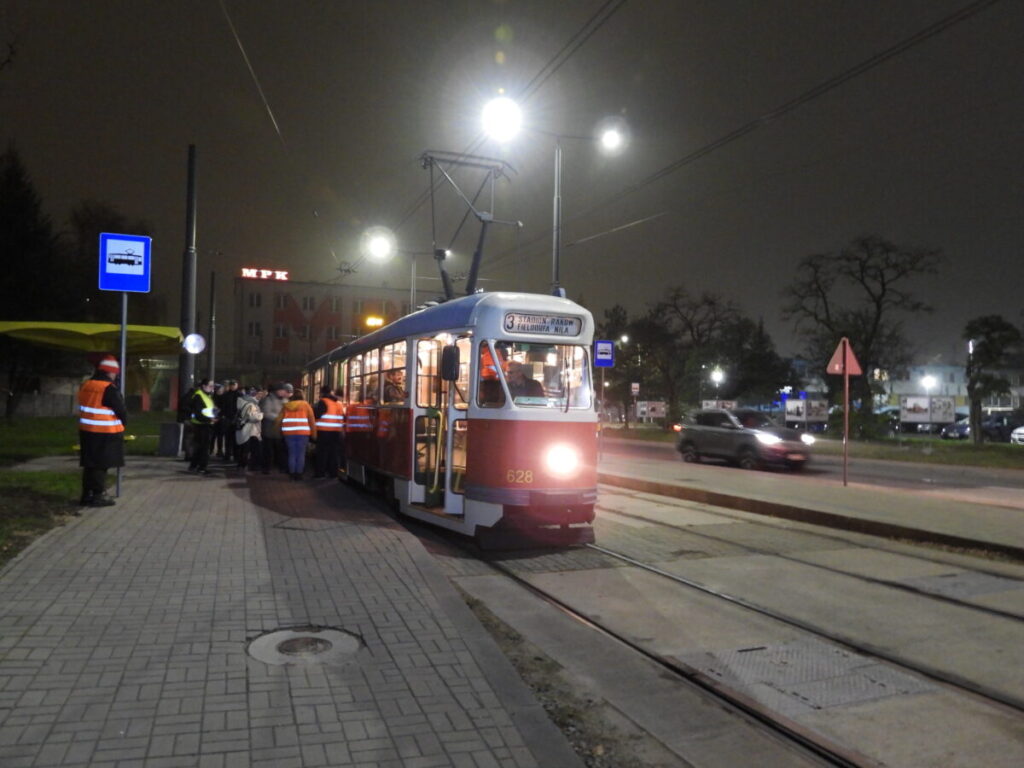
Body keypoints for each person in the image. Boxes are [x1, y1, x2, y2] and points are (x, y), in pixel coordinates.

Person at [77, 355, 127, 510]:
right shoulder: (107, 388)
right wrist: (123, 424)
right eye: (114, 372)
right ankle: (98, 496)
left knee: (90, 464)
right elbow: (121, 410)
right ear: (109, 372)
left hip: (87, 431)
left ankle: (86, 495)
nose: (115, 375)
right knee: (101, 465)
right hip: (105, 432)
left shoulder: (86, 384)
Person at [275, 388, 316, 480]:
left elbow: (278, 420)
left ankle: (292, 473)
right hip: (303, 433)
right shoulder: (306, 405)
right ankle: (299, 474)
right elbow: (312, 420)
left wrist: (278, 432)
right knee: (301, 454)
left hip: (288, 434)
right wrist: (314, 434)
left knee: (292, 453)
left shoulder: (286, 406)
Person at [188, 378, 218, 475]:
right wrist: (210, 419)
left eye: (213, 386)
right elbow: (198, 413)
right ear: (204, 386)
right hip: (202, 425)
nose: (212, 388)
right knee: (204, 448)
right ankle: (202, 467)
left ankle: (194, 466)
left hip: (205, 424)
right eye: (210, 386)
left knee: (200, 447)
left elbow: (207, 409)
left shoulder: (206, 395)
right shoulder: (199, 396)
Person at [312, 385, 344, 478]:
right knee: (333, 454)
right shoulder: (338, 403)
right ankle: (333, 473)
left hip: (324, 431)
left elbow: (317, 415)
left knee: (322, 453)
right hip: (337, 432)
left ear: (322, 393)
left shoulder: (323, 402)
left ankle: (320, 473)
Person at [260, 382, 289, 474]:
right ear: (277, 391)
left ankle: (281, 467)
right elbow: (266, 413)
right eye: (282, 391)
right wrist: (280, 418)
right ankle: (266, 468)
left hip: (280, 430)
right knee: (268, 451)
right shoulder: (268, 400)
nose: (283, 392)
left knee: (280, 451)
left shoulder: (285, 400)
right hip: (269, 430)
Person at [235, 385, 263, 470]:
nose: (259, 396)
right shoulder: (251, 404)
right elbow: (253, 417)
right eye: (258, 394)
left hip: (243, 428)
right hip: (250, 429)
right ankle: (246, 465)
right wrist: (261, 415)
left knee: (243, 448)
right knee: (249, 449)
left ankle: (241, 464)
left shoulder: (241, 401)